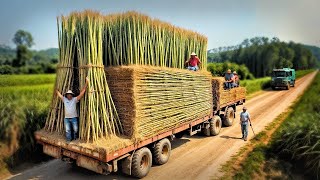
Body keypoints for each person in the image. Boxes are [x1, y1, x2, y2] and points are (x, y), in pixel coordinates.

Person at [56, 77, 89, 142]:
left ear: (72, 95)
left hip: (74, 118)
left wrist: (86, 83)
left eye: (70, 94)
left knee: (75, 129)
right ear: (66, 95)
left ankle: (74, 139)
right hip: (67, 118)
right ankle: (68, 140)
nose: (69, 96)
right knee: (67, 130)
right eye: (68, 94)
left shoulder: (74, 99)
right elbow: (58, 94)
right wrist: (56, 87)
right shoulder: (64, 99)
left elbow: (82, 93)